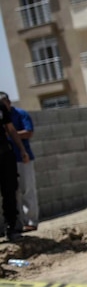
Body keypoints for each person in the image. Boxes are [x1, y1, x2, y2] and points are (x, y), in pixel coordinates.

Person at [0, 92, 38, 232]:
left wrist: (9, 135)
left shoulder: (20, 114)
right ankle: (19, 223)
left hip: (20, 158)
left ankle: (31, 221)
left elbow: (28, 132)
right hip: (9, 158)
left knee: (27, 189)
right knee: (13, 193)